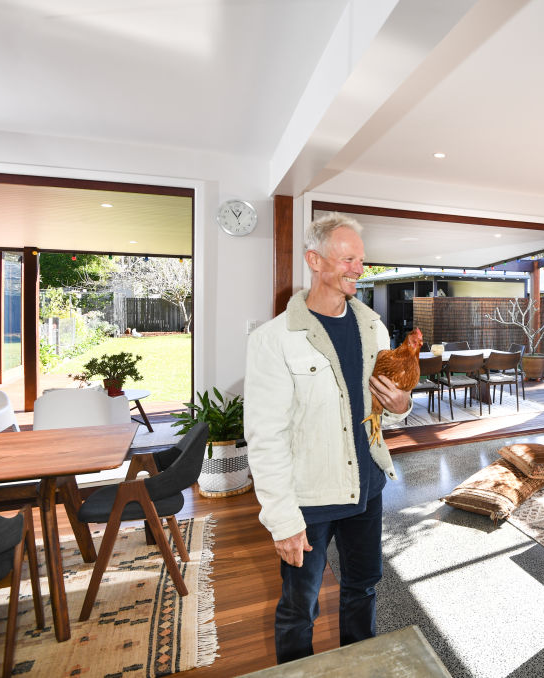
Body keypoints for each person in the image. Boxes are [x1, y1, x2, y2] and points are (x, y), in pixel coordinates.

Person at [244, 212, 412, 664]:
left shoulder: (373, 327)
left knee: (363, 591)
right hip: (310, 500)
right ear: (314, 260)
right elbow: (265, 436)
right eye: (347, 258)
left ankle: (358, 668)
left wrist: (400, 408)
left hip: (368, 491)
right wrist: (282, 519)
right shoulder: (274, 340)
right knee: (300, 608)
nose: (358, 267)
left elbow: (378, 410)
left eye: (361, 258)